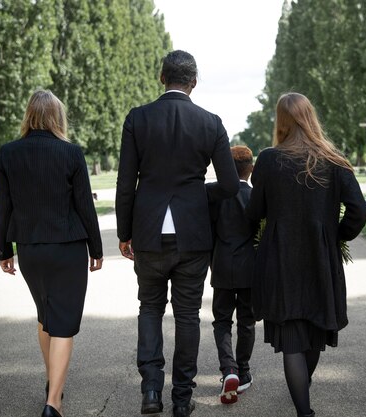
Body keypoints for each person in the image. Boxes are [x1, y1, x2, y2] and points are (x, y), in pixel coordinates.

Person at [115, 50, 239, 417]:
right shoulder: (210, 122)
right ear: (193, 83)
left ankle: (152, 388)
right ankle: (182, 399)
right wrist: (195, 196)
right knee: (187, 316)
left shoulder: (137, 118)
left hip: (149, 231)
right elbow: (231, 185)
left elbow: (125, 183)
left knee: (150, 308)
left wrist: (125, 233)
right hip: (192, 233)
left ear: (161, 78)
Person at [245, 92, 366, 417]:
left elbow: (255, 210)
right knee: (313, 332)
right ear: (311, 117)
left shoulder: (270, 160)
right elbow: (358, 209)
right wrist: (336, 236)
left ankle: (304, 411)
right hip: (320, 258)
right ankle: (304, 400)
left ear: (281, 121)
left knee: (291, 338)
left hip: (281, 259)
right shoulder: (334, 160)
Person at [0, 89, 104, 417]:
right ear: (58, 117)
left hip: (30, 249)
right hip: (68, 249)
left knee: (46, 316)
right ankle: (52, 402)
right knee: (64, 322)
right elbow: (85, 205)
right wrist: (96, 250)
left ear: (28, 115)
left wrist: (3, 250)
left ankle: (52, 383)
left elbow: (5, 208)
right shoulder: (71, 153)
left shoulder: (8, 153)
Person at [207, 145, 257, 405]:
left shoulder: (216, 197)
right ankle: (244, 370)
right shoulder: (255, 197)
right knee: (247, 321)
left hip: (223, 265)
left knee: (222, 321)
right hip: (249, 267)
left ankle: (229, 370)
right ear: (250, 168)